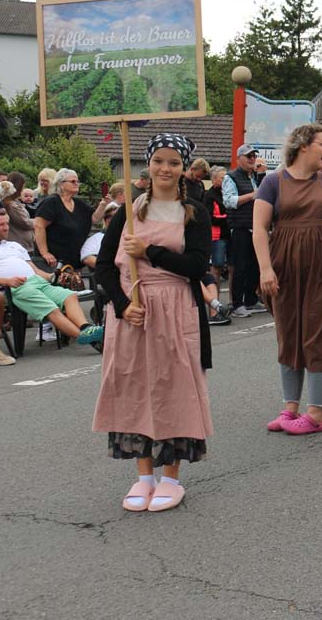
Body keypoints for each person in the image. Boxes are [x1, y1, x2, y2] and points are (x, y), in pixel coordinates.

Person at [93, 133, 213, 513]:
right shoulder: (129, 211)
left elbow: (196, 266)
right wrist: (122, 304)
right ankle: (144, 476)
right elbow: (103, 267)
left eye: (174, 163)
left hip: (176, 308)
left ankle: (171, 477)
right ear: (149, 164)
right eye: (159, 161)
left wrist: (150, 252)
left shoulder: (195, 212)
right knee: (133, 386)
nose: (166, 168)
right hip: (133, 311)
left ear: (183, 169)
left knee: (173, 387)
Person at [255, 124, 322, 435]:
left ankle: (315, 414)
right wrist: (265, 268)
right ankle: (290, 408)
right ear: (302, 146)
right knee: (289, 330)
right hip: (284, 264)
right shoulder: (273, 182)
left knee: (319, 330)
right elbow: (259, 229)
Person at [0, 208, 104, 347]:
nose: (6, 228)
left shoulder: (15, 245)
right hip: (15, 288)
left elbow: (35, 270)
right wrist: (7, 281)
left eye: (7, 224)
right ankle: (86, 338)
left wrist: (53, 277)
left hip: (37, 282)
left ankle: (86, 328)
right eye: (1, 225)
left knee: (69, 296)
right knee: (51, 308)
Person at [222, 144, 267, 318]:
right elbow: (229, 201)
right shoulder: (230, 177)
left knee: (255, 265)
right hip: (240, 227)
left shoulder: (255, 176)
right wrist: (252, 195)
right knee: (240, 267)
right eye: (248, 156)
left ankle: (251, 300)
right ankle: (237, 304)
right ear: (238, 158)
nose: (252, 159)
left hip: (255, 227)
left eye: (254, 156)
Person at [34, 169, 110, 269]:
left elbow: (94, 218)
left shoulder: (78, 204)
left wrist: (103, 204)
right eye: (73, 181)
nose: (76, 184)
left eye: (77, 181)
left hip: (73, 261)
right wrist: (45, 253)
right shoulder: (52, 202)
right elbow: (39, 226)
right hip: (53, 262)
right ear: (61, 184)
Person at [204, 167, 230, 284]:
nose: (226, 180)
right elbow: (211, 218)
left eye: (227, 177)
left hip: (230, 234)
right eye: (222, 178)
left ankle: (233, 300)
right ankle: (214, 299)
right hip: (218, 237)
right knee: (217, 267)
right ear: (214, 180)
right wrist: (227, 217)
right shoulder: (209, 196)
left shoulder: (230, 192)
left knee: (232, 267)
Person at [2, 172, 35, 252]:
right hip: (19, 246)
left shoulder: (15, 202)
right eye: (22, 187)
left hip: (24, 245)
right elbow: (25, 222)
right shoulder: (11, 205)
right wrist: (39, 221)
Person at [80, 203, 120, 268]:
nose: (111, 219)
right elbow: (88, 259)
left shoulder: (129, 236)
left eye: (116, 217)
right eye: (108, 216)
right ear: (105, 220)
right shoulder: (94, 240)